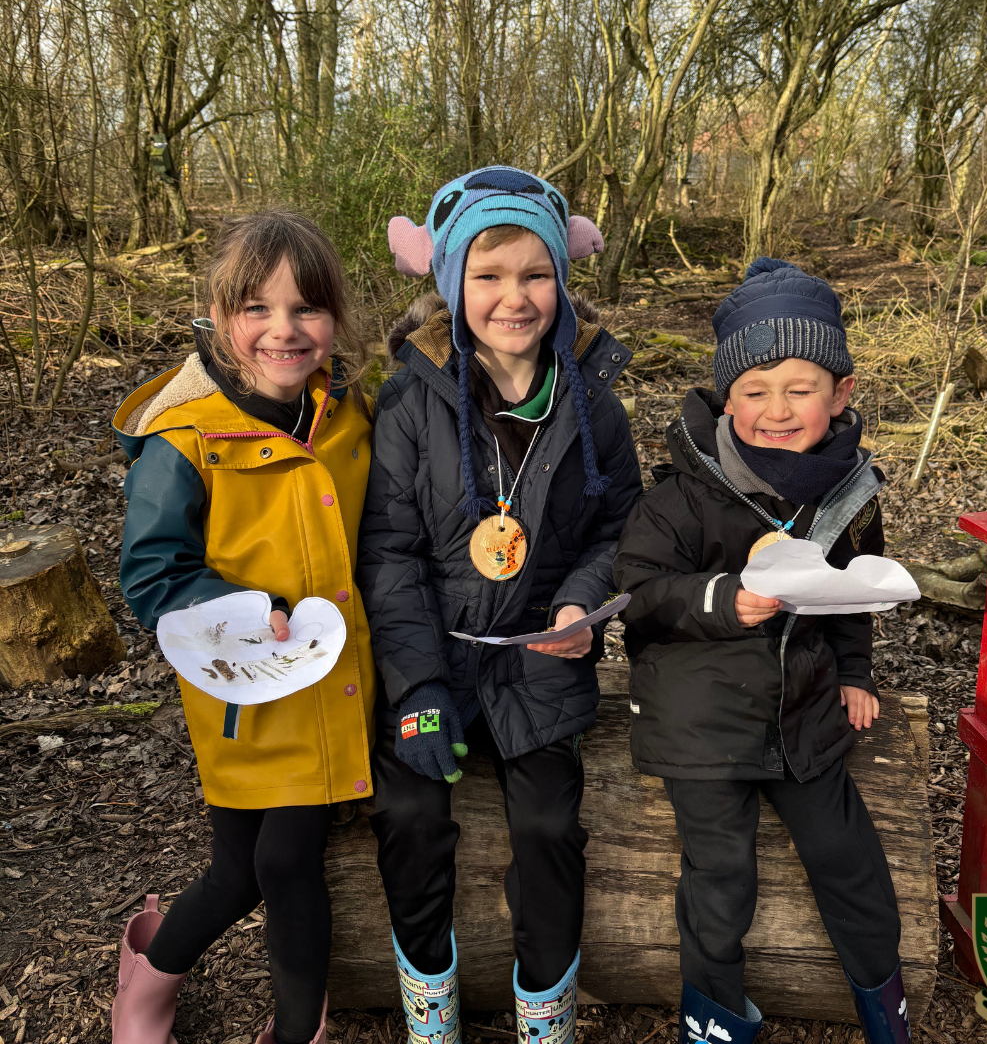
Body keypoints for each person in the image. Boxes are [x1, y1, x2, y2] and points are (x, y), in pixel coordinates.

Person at [357, 166, 642, 1044]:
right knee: (408, 813)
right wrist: (413, 690)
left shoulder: (595, 402)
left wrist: (581, 605)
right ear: (452, 286)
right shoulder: (410, 403)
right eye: (488, 276)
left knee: (552, 828)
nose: (513, 298)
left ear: (562, 278)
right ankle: (430, 1011)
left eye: (534, 274)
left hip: (537, 661)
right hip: (435, 653)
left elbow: (618, 530)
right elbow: (391, 554)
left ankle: (544, 1017)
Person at [612, 257, 910, 1044]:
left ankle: (888, 1008)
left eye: (800, 388)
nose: (777, 410)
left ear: (841, 393)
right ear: (724, 397)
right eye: (754, 390)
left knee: (851, 860)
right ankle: (712, 1024)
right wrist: (721, 599)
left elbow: (855, 593)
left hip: (803, 713)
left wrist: (852, 672)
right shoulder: (679, 496)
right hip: (701, 722)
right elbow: (635, 596)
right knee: (722, 882)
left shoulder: (848, 493)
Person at [109, 211, 377, 1044]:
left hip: (332, 689)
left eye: (307, 309)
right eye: (257, 309)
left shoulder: (352, 418)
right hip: (240, 688)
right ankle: (148, 976)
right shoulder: (184, 439)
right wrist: (235, 610)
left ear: (335, 319)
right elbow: (154, 572)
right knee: (237, 871)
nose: (284, 331)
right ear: (222, 319)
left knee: (284, 860)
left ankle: (300, 1028)